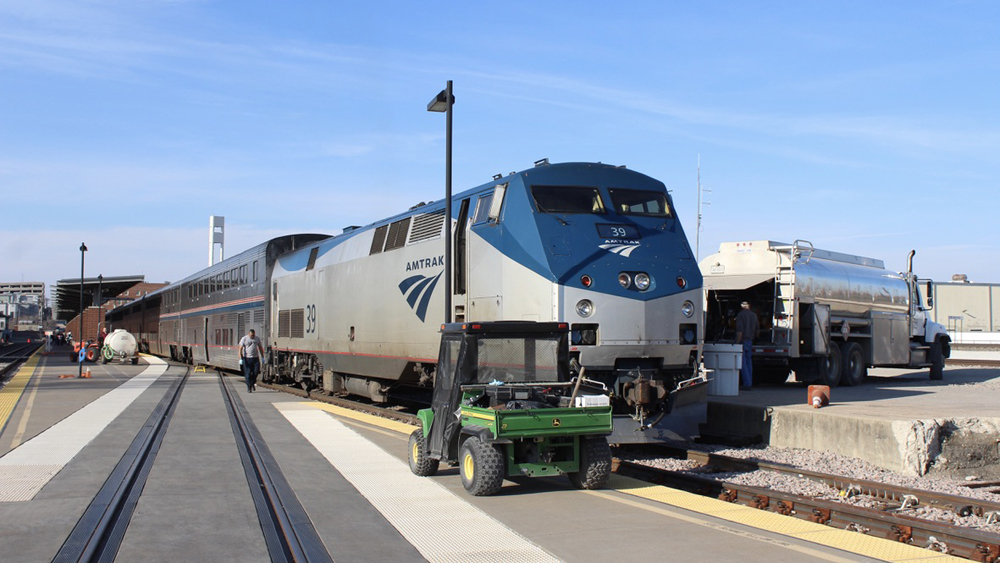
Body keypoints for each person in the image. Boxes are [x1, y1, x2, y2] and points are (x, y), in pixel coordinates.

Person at [735, 301, 759, 389]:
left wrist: (736, 343)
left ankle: (747, 383)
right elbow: (757, 331)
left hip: (743, 341)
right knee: (749, 362)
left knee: (742, 362)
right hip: (750, 340)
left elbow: (740, 331)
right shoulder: (754, 315)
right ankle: (749, 382)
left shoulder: (741, 315)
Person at [238, 328, 265, 393]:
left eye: (253, 335)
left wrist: (262, 357)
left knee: (256, 372)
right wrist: (240, 358)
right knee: (248, 373)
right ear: (248, 334)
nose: (252, 337)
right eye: (251, 335)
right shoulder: (244, 339)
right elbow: (240, 349)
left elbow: (260, 347)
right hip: (247, 358)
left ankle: (252, 382)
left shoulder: (257, 339)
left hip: (255, 358)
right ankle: (248, 386)